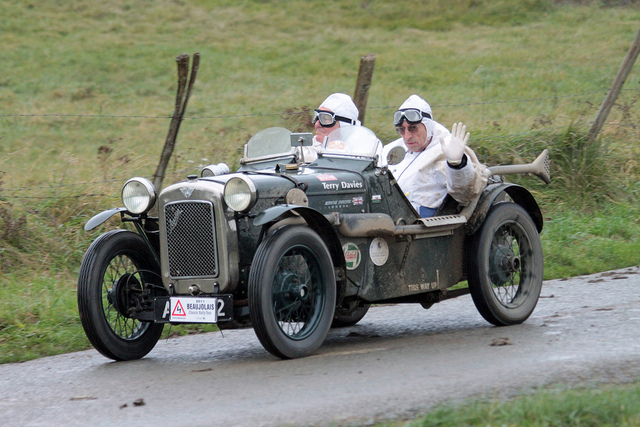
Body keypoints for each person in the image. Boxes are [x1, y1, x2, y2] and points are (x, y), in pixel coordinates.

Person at [381, 94, 488, 218]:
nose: (407, 136)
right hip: (386, 215)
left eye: (413, 128)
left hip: (419, 224)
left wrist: (457, 164)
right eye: (401, 129)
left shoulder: (447, 149)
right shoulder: (389, 149)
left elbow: (466, 195)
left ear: (428, 126)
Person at [301, 93, 361, 162]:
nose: (317, 124)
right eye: (316, 118)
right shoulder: (306, 151)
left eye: (325, 119)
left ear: (344, 126)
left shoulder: (366, 152)